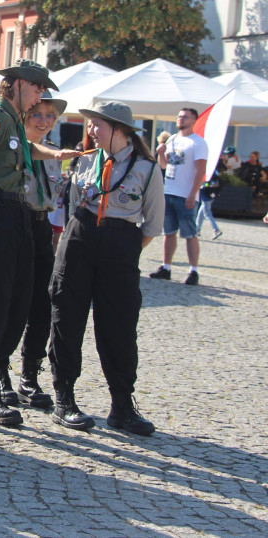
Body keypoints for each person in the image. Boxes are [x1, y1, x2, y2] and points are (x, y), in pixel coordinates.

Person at [0, 59, 75, 432]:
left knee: (19, 304)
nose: (41, 96)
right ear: (19, 84)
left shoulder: (14, 121)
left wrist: (56, 154)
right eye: (38, 88)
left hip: (18, 214)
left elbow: (27, 151)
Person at [48, 101, 164, 435]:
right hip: (80, 240)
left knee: (119, 326)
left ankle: (122, 406)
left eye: (97, 124)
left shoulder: (147, 169)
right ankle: (64, 398)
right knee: (66, 318)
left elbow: (152, 226)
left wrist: (122, 249)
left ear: (119, 129)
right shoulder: (84, 161)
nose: (91, 130)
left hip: (121, 246)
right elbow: (72, 208)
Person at [0, 93, 66, 410]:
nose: (44, 121)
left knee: (42, 305)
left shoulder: (53, 154)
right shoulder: (12, 149)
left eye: (50, 116)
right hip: (15, 225)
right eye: (37, 114)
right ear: (23, 117)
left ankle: (29, 376)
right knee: (10, 304)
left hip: (41, 229)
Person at [150, 108, 207, 286]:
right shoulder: (173, 139)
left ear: (193, 120)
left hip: (185, 194)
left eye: (185, 117)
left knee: (189, 233)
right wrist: (160, 153)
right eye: (179, 116)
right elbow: (164, 166)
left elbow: (200, 170)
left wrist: (192, 194)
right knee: (168, 232)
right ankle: (166, 266)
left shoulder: (197, 143)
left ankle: (193, 270)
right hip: (169, 191)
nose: (180, 119)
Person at [196, 157, 223, 240]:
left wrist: (203, 185)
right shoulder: (215, 171)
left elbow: (209, 183)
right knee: (201, 212)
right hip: (211, 194)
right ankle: (197, 230)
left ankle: (216, 230)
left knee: (207, 213)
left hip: (206, 194)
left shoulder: (209, 171)